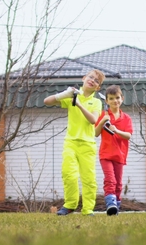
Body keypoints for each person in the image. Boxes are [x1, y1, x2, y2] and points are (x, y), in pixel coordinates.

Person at [44, 69, 105, 216]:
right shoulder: (72, 96)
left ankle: (88, 209)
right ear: (84, 78)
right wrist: (65, 95)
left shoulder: (96, 102)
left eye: (96, 81)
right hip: (70, 142)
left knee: (88, 179)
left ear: (98, 87)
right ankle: (70, 205)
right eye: (90, 77)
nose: (92, 80)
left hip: (87, 144)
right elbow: (47, 101)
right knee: (68, 174)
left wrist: (77, 103)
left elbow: (93, 120)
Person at [94, 85, 132, 215]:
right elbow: (96, 133)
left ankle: (116, 205)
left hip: (120, 155)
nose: (115, 101)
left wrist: (116, 130)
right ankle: (110, 203)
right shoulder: (104, 115)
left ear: (122, 98)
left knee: (118, 183)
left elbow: (128, 135)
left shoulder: (126, 118)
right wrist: (102, 122)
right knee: (110, 180)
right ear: (107, 101)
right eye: (111, 98)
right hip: (106, 154)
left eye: (117, 98)